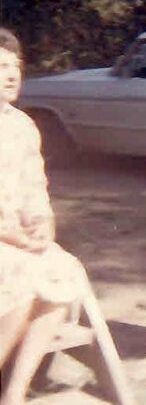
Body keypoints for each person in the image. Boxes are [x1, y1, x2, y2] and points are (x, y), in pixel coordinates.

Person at [0, 28, 87, 405]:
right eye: (1, 67)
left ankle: (14, 392)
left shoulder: (21, 125)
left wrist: (42, 223)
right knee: (21, 277)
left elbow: (36, 186)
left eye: (15, 67)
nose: (11, 75)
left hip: (17, 240)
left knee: (62, 269)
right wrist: (10, 235)